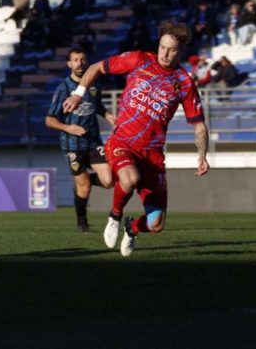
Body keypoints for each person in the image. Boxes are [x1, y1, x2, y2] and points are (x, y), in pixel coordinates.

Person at [63, 20, 209, 257]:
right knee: (129, 179)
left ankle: (131, 228)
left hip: (152, 154)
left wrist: (202, 155)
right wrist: (79, 94)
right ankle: (115, 216)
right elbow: (96, 68)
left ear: (180, 50)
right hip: (123, 142)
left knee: (156, 223)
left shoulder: (184, 82)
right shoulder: (140, 59)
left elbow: (199, 125)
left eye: (171, 49)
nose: (165, 53)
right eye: (162, 46)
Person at [46, 47, 115, 232]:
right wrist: (69, 127)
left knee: (109, 181)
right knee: (84, 189)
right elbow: (49, 120)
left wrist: (107, 115)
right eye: (75, 60)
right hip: (72, 146)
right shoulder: (64, 88)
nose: (79, 63)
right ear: (69, 63)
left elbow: (97, 105)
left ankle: (82, 181)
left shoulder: (93, 86)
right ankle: (82, 223)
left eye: (83, 59)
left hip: (93, 142)